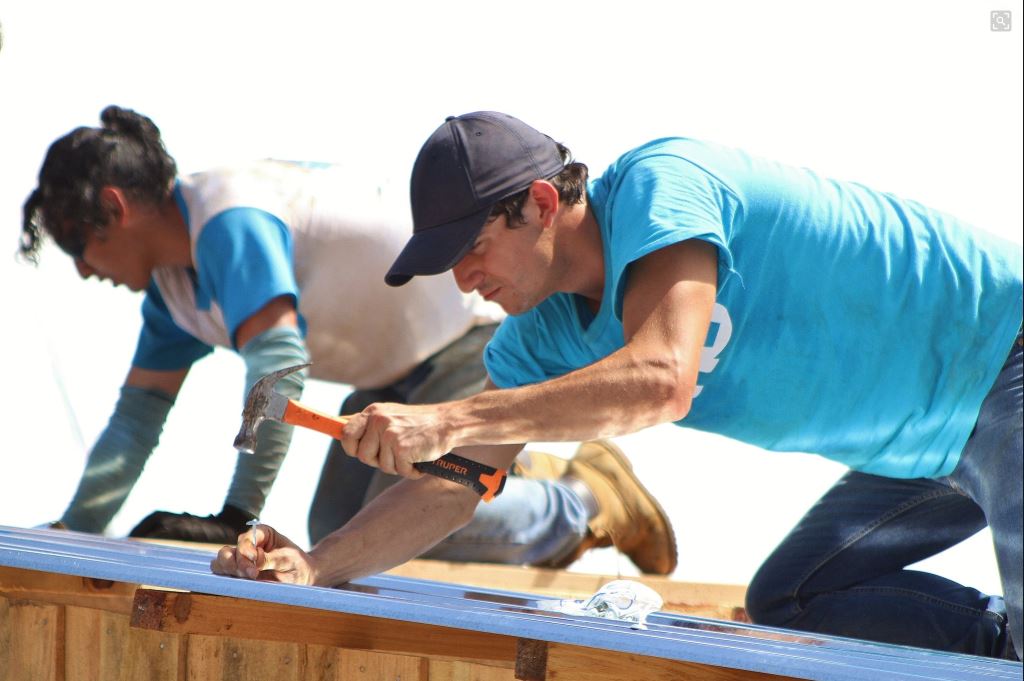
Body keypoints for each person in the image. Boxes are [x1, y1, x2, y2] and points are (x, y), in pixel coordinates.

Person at [212, 111, 1022, 659]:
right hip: (931, 450)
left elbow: (663, 376)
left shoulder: (663, 185)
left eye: (472, 248)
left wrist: (448, 416)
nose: (463, 279)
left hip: (1007, 364)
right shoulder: (538, 340)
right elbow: (453, 490)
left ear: (537, 203)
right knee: (796, 597)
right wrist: (317, 564)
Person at [20, 106, 678, 575]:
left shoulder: (226, 219)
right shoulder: (172, 294)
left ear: (116, 206)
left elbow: (279, 370)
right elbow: (136, 418)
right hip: (394, 366)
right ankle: (547, 508)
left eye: (79, 241)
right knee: (336, 523)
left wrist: (236, 514)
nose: (81, 267)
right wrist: (71, 530)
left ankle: (582, 497)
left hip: (460, 333)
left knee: (412, 516)